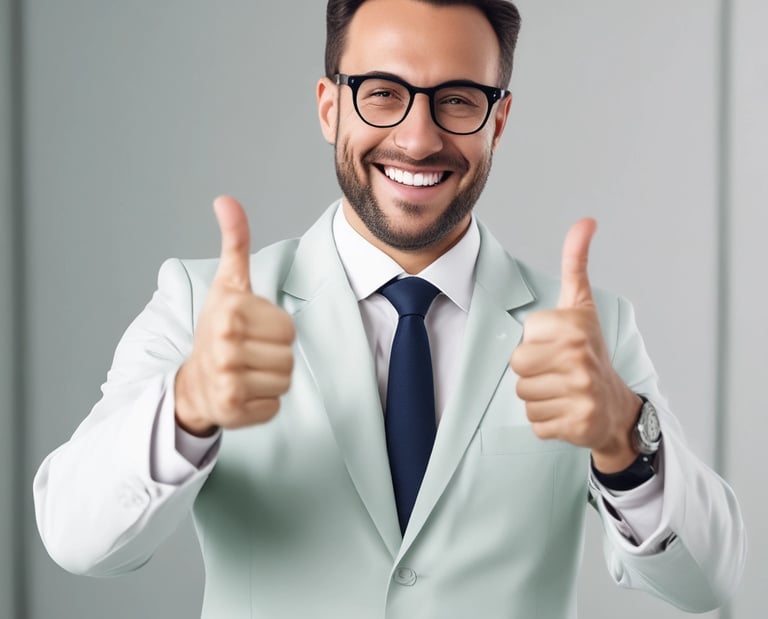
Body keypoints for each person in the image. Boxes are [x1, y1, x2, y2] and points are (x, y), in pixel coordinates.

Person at [33, 1, 746, 617]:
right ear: (327, 105)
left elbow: (707, 578)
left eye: (459, 98)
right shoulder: (203, 304)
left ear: (498, 121)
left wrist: (625, 434)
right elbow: (74, 534)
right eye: (381, 92)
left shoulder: (588, 332)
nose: (418, 137)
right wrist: (186, 405)